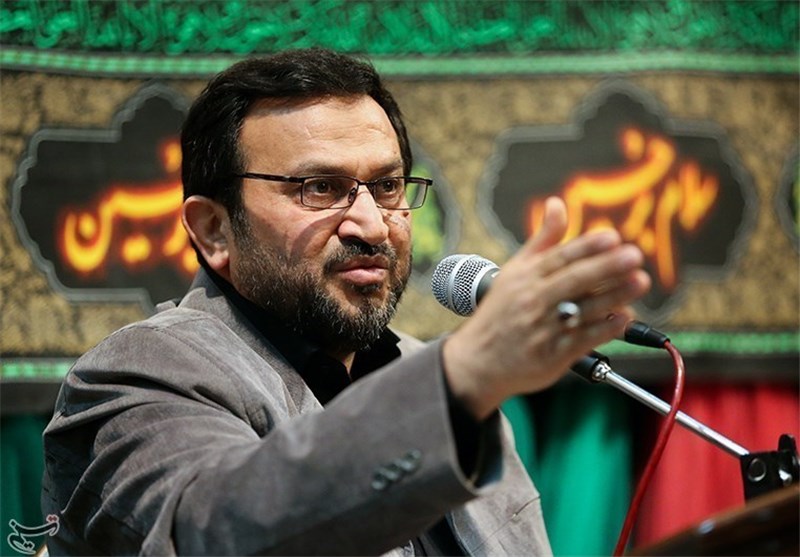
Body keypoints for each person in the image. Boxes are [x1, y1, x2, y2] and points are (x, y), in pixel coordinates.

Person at [41, 48, 650, 555]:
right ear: (214, 230)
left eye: (386, 186)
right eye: (320, 188)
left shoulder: (443, 382)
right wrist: (462, 378)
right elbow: (212, 532)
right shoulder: (141, 374)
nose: (372, 225)